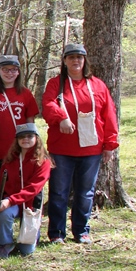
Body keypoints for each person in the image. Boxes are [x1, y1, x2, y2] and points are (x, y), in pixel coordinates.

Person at [42, 43, 119, 245]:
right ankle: (57, 233)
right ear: (65, 61)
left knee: (85, 192)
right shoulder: (56, 84)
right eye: (71, 57)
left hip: (91, 148)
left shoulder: (97, 85)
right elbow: (48, 105)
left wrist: (110, 144)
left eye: (79, 57)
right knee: (59, 191)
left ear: (84, 61)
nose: (75, 61)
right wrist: (61, 118)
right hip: (62, 149)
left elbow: (109, 114)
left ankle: (81, 231)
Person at [0, 55, 40, 182]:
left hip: (18, 148)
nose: (9, 73)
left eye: (13, 69)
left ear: (18, 72)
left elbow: (30, 120)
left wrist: (31, 144)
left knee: (17, 183)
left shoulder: (25, 94)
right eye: (5, 69)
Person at [0, 122, 50, 258]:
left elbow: (33, 188)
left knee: (26, 251)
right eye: (21, 137)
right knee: (4, 212)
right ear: (17, 140)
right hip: (11, 203)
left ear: (36, 138)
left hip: (31, 205)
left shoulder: (43, 161)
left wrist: (10, 200)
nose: (25, 139)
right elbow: (0, 187)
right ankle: (5, 243)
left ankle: (33, 233)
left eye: (29, 136)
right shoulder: (9, 160)